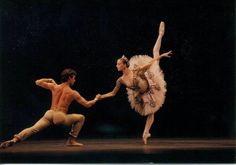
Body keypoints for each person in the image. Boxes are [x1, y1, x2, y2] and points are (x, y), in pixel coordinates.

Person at [97, 22, 172, 144]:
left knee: (155, 54)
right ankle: (146, 132)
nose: (116, 65)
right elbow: (112, 93)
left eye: (118, 64)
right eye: (117, 64)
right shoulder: (120, 80)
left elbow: (149, 64)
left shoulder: (134, 70)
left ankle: (160, 34)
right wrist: (101, 97)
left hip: (151, 81)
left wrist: (161, 56)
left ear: (124, 65)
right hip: (143, 93)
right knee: (151, 111)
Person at [0, 68, 99, 148]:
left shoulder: (54, 87)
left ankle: (15, 139)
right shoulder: (73, 92)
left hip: (49, 113)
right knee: (81, 117)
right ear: (69, 78)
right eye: (73, 78)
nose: (74, 80)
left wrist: (49, 79)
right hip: (60, 116)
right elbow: (87, 104)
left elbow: (37, 82)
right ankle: (71, 141)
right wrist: (96, 98)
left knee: (33, 128)